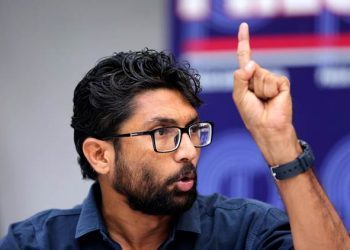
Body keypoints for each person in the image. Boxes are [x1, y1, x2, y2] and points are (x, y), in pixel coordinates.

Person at [1, 23, 349, 250]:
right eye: (162, 132)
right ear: (100, 155)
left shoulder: (245, 232)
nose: (189, 151)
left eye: (191, 130)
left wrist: (280, 142)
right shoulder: (35, 242)